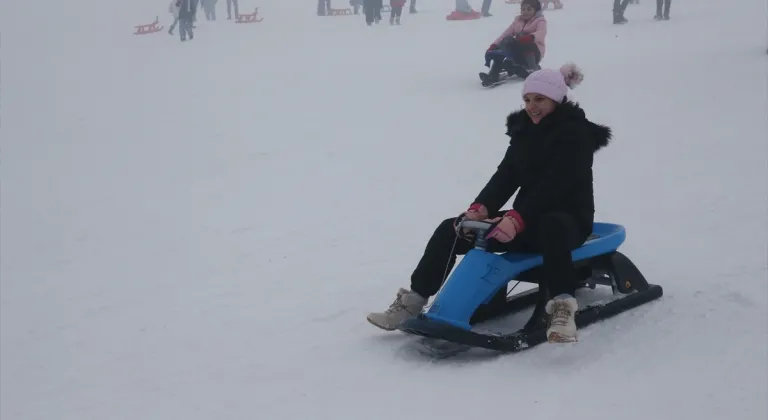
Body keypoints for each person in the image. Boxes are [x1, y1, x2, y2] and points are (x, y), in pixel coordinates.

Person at [367, 63, 613, 343]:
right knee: (452, 228)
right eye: (527, 99)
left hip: (568, 220)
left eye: (540, 100)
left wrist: (516, 219)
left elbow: (554, 186)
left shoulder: (576, 135)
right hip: (526, 218)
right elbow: (506, 176)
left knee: (551, 226)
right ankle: (413, 300)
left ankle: (562, 307)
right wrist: (480, 209)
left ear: (556, 99)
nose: (532, 106)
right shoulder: (525, 133)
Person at [481, 0, 547, 85]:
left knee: (524, 40)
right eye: (523, 9)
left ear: (536, 10)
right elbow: (505, 34)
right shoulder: (518, 21)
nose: (525, 12)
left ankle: (532, 69)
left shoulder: (540, 21)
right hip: (519, 53)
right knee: (507, 40)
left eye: (529, 9)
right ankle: (494, 73)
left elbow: (541, 33)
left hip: (534, 53)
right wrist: (494, 45)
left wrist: (530, 37)